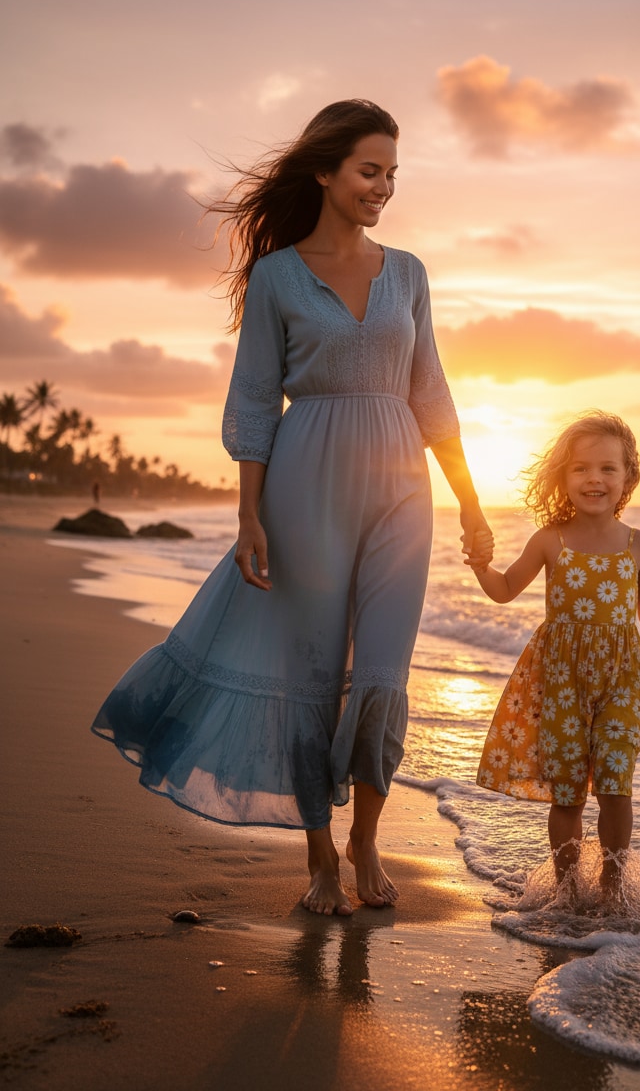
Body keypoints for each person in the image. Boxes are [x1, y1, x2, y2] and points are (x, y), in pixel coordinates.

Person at [91, 100, 492, 916]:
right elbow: (252, 399)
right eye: (369, 171)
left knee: (382, 675)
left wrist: (472, 504)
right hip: (304, 484)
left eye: (392, 174)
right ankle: (319, 857)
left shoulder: (408, 273)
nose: (383, 188)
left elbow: (431, 391)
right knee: (312, 677)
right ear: (325, 171)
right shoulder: (277, 276)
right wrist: (250, 516)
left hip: (402, 490)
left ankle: (366, 840)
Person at [472, 410, 640, 897]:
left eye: (608, 468)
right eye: (581, 468)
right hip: (561, 680)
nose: (594, 479)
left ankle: (612, 885)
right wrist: (481, 565)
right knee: (567, 793)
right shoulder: (551, 540)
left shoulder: (639, 545)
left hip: (622, 678)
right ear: (562, 478)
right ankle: (566, 888)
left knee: (615, 784)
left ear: (628, 477)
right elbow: (504, 589)